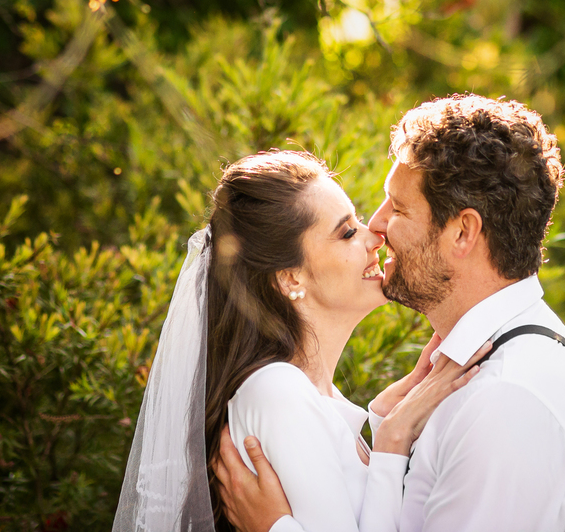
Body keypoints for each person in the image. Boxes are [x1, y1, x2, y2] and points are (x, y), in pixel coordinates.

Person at [215, 95, 565, 532]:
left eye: (399, 208)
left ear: (463, 232)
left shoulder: (505, 401)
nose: (378, 227)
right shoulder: (481, 378)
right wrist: (389, 429)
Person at [112, 150, 488, 532]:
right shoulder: (277, 391)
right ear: (291, 278)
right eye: (347, 232)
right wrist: (394, 439)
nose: (376, 237)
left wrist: (383, 419)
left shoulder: (315, 398)